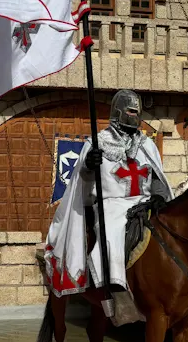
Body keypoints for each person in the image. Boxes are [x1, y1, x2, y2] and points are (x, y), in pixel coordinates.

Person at [43, 89, 173, 302]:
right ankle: (113, 283)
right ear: (119, 111)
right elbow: (80, 182)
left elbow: (157, 175)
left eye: (137, 111)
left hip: (144, 201)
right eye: (130, 111)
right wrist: (88, 165)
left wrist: (159, 195)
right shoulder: (97, 142)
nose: (135, 115)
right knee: (111, 229)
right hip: (111, 204)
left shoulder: (147, 144)